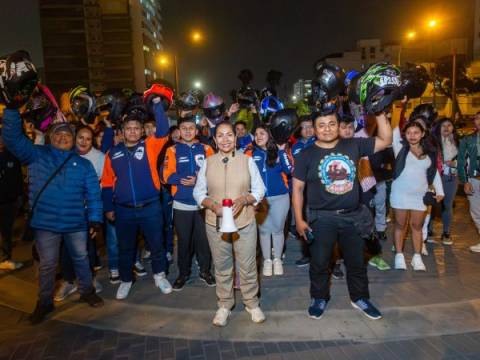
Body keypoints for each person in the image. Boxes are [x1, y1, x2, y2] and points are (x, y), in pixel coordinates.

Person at [3, 113, 104, 325]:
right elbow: (13, 139)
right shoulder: (37, 155)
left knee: (81, 259)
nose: (63, 137)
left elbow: (94, 194)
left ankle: (87, 290)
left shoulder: (83, 165)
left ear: (73, 139)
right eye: (58, 134)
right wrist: (11, 110)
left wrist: (95, 219)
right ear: (51, 137)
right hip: (46, 225)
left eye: (67, 134)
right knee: (48, 265)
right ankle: (44, 302)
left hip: (76, 223)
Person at [292, 111, 392, 320]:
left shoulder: (353, 145)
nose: (327, 128)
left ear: (338, 126)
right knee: (319, 262)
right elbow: (298, 189)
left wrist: (381, 112)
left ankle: (360, 298)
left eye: (331, 124)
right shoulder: (305, 155)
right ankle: (319, 297)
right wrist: (300, 220)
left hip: (352, 217)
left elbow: (385, 140)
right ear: (314, 128)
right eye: (321, 125)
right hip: (322, 218)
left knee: (356, 262)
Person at [193, 121, 266, 327]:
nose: (225, 139)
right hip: (215, 222)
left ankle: (252, 303)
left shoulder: (247, 161)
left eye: (229, 135)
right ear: (215, 139)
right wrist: (211, 205)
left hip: (244, 222)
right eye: (220, 135)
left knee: (248, 265)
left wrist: (244, 200)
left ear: (236, 138)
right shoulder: (208, 162)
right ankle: (225, 304)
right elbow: (198, 192)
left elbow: (259, 189)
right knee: (222, 265)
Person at [101, 96, 172, 300]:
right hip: (123, 209)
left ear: (142, 131)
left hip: (150, 206)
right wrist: (109, 208)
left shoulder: (150, 146)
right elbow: (106, 183)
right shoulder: (112, 154)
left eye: (136, 128)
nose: (132, 131)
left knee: (156, 244)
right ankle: (126, 280)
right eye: (128, 128)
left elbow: (163, 130)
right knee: (126, 247)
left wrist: (157, 105)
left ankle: (159, 275)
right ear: (122, 132)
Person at [162, 116, 215, 290]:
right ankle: (183, 273)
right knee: (184, 242)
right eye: (184, 128)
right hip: (181, 205)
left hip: (203, 204)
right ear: (179, 131)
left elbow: (215, 172)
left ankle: (205, 271)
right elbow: (166, 175)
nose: (187, 131)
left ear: (196, 130)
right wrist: (183, 179)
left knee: (203, 241)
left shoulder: (206, 149)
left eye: (191, 128)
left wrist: (199, 179)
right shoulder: (173, 150)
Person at [55, 126, 106, 301]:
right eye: (80, 138)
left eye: (88, 139)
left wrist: (95, 215)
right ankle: (68, 281)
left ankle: (89, 280)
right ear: (74, 138)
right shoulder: (65, 155)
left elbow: (103, 184)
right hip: (66, 209)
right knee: (65, 248)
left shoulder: (99, 158)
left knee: (87, 248)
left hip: (87, 211)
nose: (84, 142)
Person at [390, 119, 444, 271]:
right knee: (400, 225)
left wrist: (440, 191)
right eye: (408, 133)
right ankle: (399, 256)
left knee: (417, 226)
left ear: (422, 134)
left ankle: (417, 257)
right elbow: (394, 125)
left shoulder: (430, 152)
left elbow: (434, 173)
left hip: (420, 195)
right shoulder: (399, 146)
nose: (412, 136)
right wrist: (398, 103)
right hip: (399, 193)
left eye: (416, 133)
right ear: (404, 135)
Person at [246, 125, 292, 276]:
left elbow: (289, 169)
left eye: (262, 133)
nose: (258, 136)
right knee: (264, 231)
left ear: (270, 135)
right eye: (256, 134)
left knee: (278, 230)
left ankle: (277, 259)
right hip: (260, 199)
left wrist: (281, 150)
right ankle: (267, 260)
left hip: (280, 197)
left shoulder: (278, 152)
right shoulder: (250, 152)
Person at [291, 115, 315, 268]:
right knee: (303, 222)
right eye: (304, 127)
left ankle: (333, 262)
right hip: (301, 191)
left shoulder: (320, 143)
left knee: (323, 224)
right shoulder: (295, 146)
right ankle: (307, 254)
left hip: (318, 190)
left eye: (310, 126)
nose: (307, 130)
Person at [430, 118, 459, 245]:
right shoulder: (432, 142)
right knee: (432, 204)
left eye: (449, 125)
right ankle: (428, 230)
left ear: (453, 127)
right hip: (435, 178)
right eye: (443, 125)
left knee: (447, 205)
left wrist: (455, 163)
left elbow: (466, 159)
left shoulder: (458, 142)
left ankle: (446, 232)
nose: (446, 128)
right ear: (438, 128)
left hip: (451, 178)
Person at [0, 129, 24, 270]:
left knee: (6, 231)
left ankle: (6, 258)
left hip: (9, 201)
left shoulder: (12, 155)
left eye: (2, 137)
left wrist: (20, 195)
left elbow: (17, 177)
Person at [458, 111, 480, 253]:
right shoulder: (467, 140)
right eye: (477, 118)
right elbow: (462, 161)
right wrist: (465, 181)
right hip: (474, 179)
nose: (479, 120)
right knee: (476, 212)